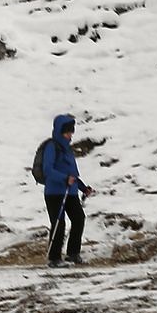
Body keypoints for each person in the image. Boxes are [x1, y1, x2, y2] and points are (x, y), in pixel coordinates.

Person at [41, 114, 94, 267]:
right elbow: (47, 170)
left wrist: (83, 188)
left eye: (71, 132)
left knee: (78, 219)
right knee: (59, 223)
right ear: (60, 131)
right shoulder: (52, 146)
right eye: (67, 132)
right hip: (54, 192)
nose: (70, 135)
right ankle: (54, 258)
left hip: (70, 192)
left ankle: (73, 254)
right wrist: (64, 179)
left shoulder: (67, 149)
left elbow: (73, 174)